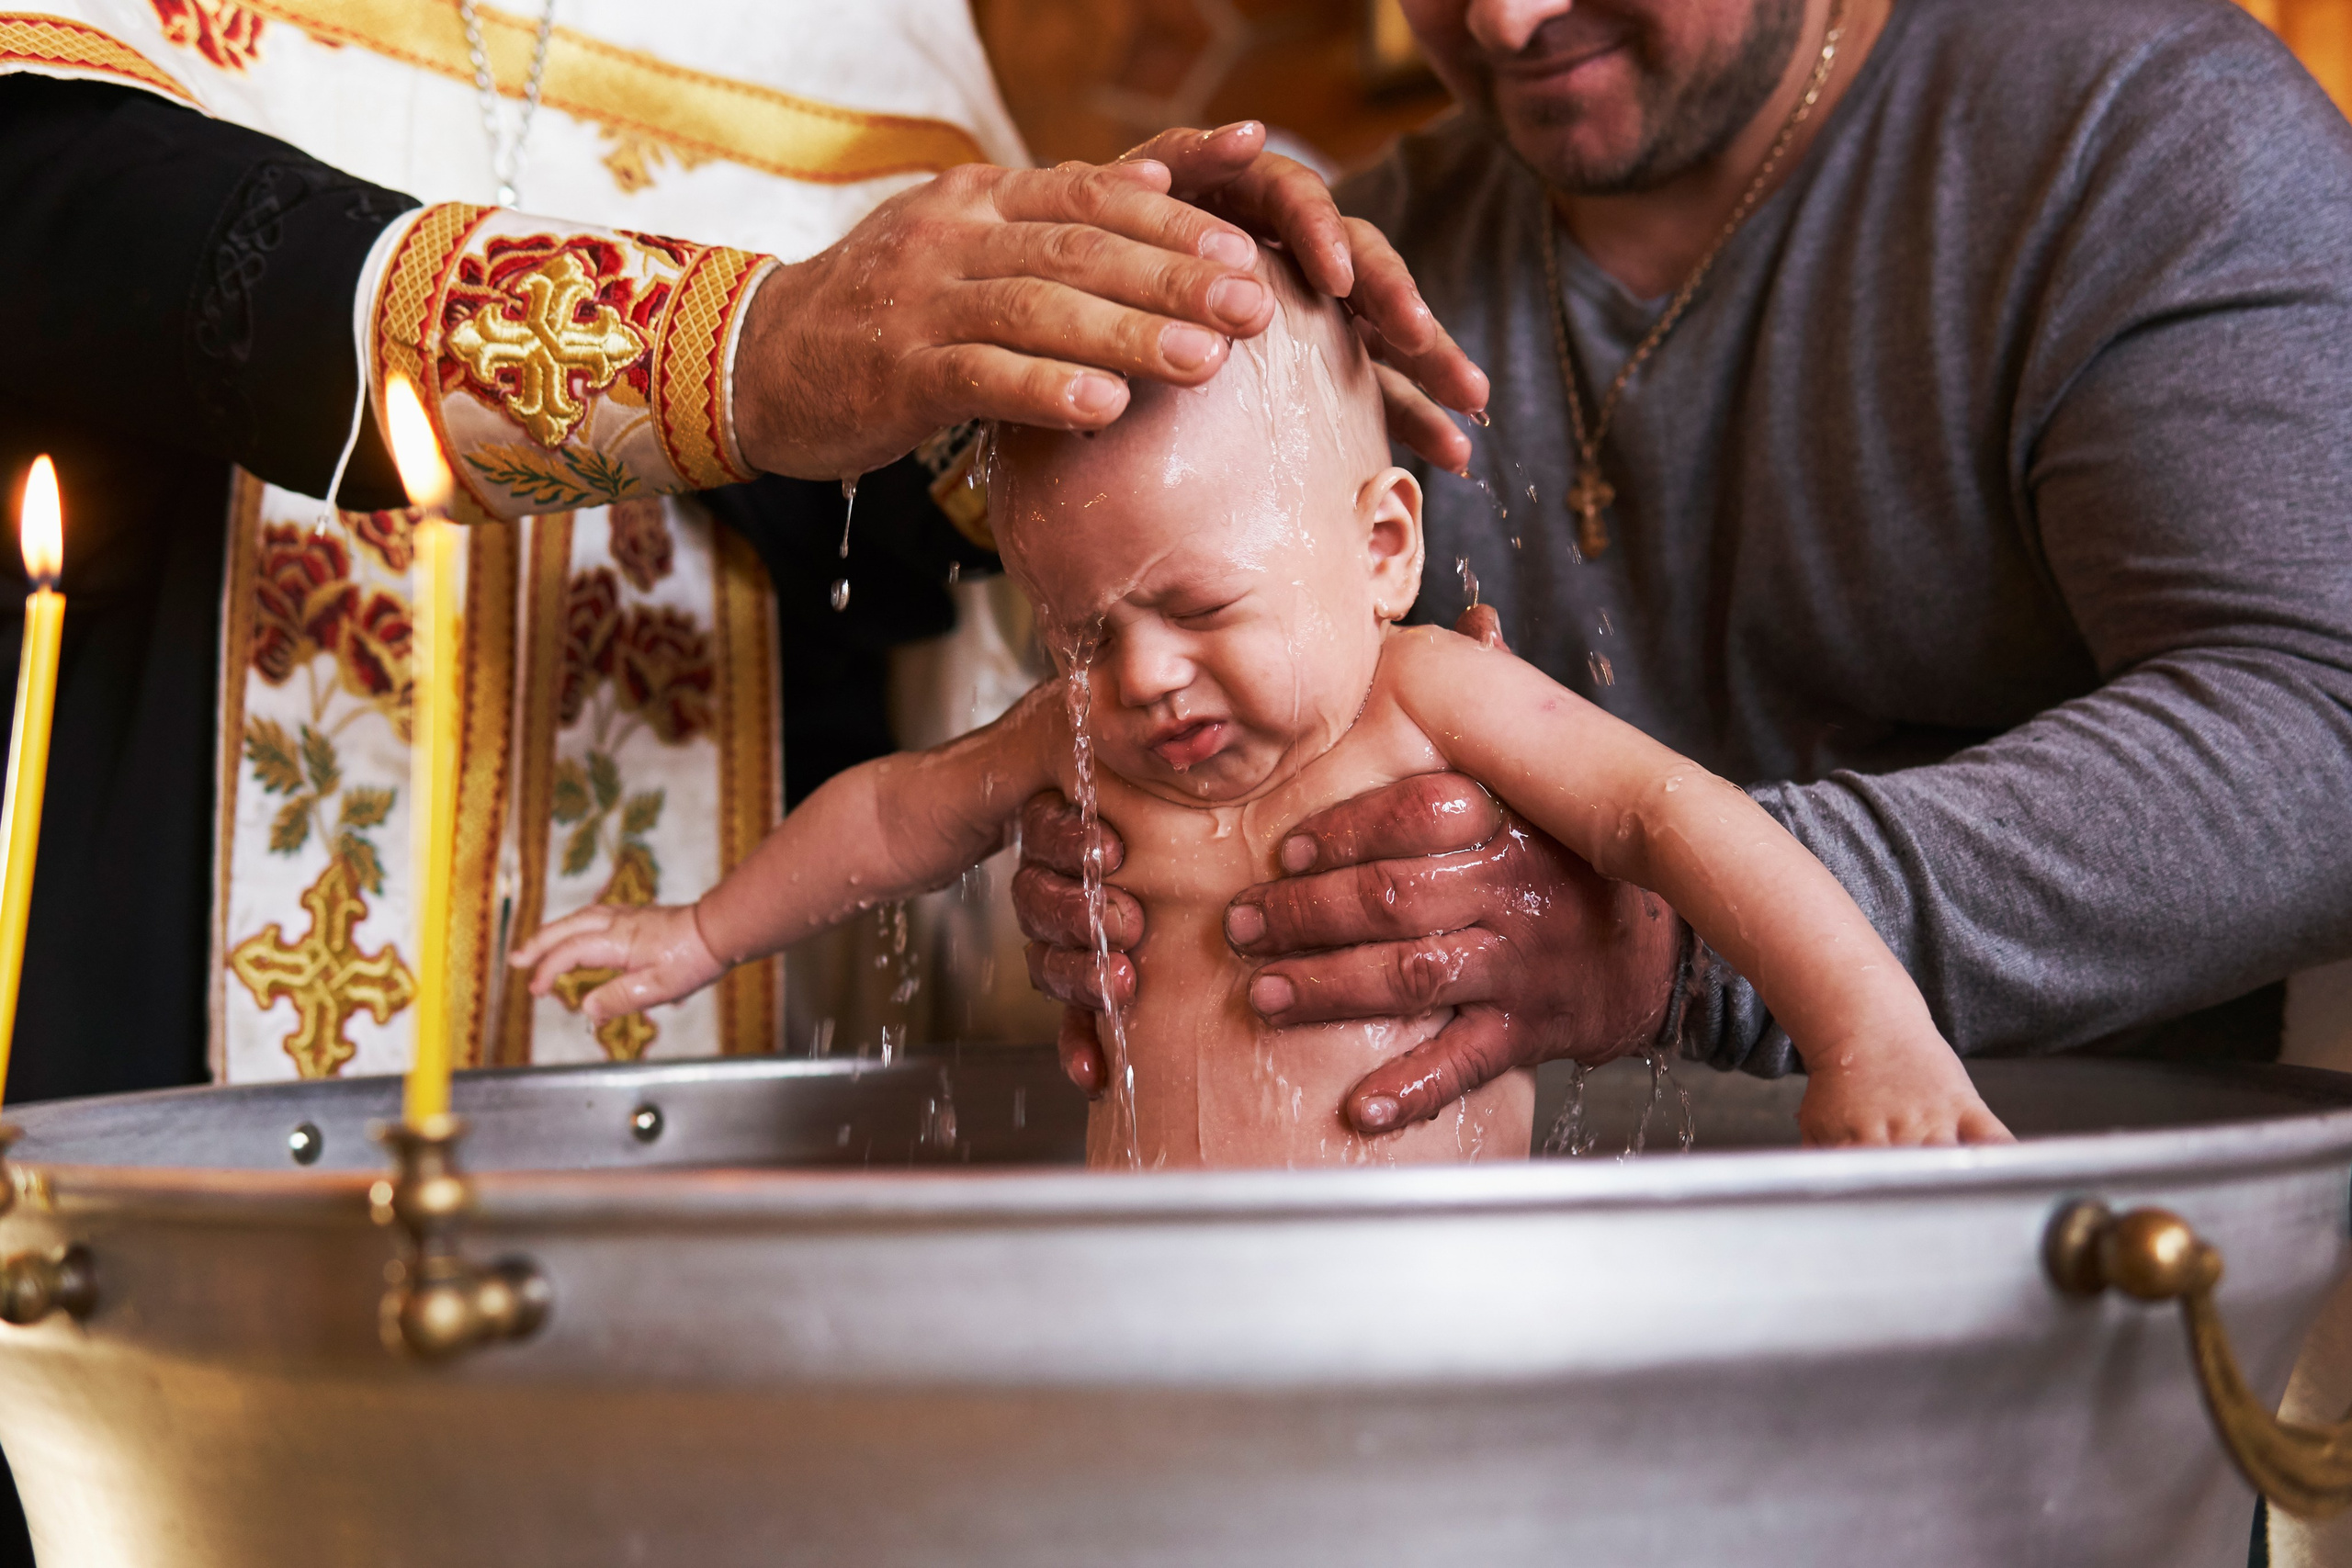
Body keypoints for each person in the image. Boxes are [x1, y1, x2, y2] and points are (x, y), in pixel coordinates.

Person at [0, 1, 1487, 1102]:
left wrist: (1149, 346)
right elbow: (71, 234)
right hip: (134, 979)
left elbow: (892, 541)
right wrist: (745, 346)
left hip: (691, 1109)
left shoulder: (858, 42)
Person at [1014, 0, 2352, 1137]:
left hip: (2065, 1245)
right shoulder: (1356, 276)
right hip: (1515, 1290)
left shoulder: (2143, 130)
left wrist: (1677, 940)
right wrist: (1143, 851)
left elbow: (2318, 738)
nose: (1504, 20)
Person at [511, 252, 2008, 1165]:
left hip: (1441, 1304)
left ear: (1384, 549)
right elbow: (899, 811)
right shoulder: (1083, 735)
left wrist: (1870, 1034)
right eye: (1081, 634)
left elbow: (1669, 816)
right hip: (1152, 1305)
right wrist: (701, 933)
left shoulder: (1432, 695)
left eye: (1203, 609)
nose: (1143, 678)